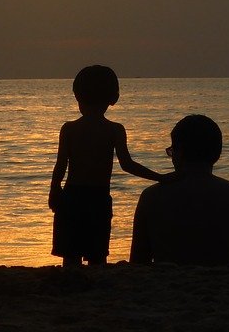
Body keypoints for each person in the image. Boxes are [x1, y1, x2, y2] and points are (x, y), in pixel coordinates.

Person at [49, 65, 168, 266]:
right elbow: (127, 164)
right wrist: (160, 177)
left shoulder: (69, 129)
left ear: (77, 96)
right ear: (114, 98)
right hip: (99, 197)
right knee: (97, 254)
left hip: (72, 196)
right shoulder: (114, 130)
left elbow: (61, 165)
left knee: (71, 255)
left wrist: (54, 190)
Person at [130, 114, 229, 265]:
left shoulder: (151, 197)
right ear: (217, 154)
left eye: (172, 151)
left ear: (179, 152)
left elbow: (138, 262)